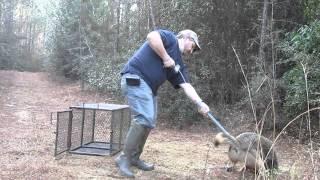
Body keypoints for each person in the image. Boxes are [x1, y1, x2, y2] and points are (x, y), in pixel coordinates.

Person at [115, 29, 210, 178]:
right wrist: (166, 57)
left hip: (148, 88)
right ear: (185, 37)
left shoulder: (178, 64)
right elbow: (151, 36)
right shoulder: (170, 39)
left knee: (149, 121)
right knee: (143, 118)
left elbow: (186, 86)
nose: (193, 50)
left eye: (195, 49)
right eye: (193, 45)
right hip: (135, 78)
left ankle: (134, 157)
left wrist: (200, 103)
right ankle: (124, 158)